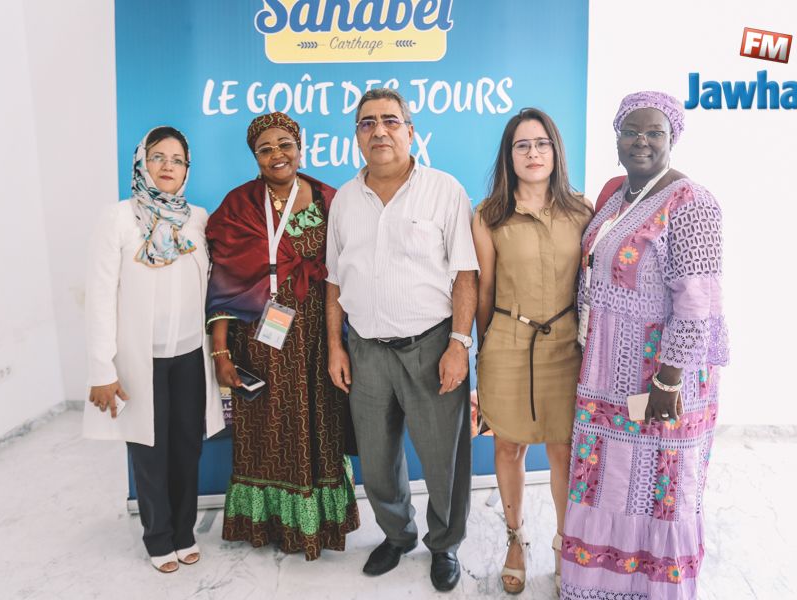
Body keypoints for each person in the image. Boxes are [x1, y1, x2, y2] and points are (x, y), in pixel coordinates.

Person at [562, 91, 729, 599]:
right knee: (608, 482)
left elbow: (697, 302)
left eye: (654, 132)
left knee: (658, 488)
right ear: (616, 139)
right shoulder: (618, 198)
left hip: (661, 380)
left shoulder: (691, 202)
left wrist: (668, 380)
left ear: (672, 138)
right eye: (631, 131)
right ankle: (599, 585)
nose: (641, 141)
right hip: (606, 375)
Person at [325, 88, 479, 592]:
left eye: (390, 121)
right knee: (376, 460)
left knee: (442, 461)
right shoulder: (345, 199)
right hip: (365, 350)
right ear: (357, 136)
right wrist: (336, 346)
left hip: (431, 346)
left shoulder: (444, 190)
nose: (379, 131)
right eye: (367, 123)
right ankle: (397, 535)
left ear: (410, 132)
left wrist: (459, 344)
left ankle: (445, 543)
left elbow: (465, 274)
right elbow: (334, 281)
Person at [206, 112, 359, 561]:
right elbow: (222, 283)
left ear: (300, 147)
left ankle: (319, 523)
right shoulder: (239, 206)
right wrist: (220, 352)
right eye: (265, 149)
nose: (277, 155)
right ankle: (268, 523)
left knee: (321, 426)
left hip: (319, 339)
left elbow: (348, 270)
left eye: (285, 144)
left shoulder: (330, 199)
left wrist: (341, 341)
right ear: (254, 156)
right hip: (260, 341)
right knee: (267, 433)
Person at [84, 126, 225, 573]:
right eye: (158, 156)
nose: (168, 166)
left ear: (187, 169)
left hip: (189, 355)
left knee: (187, 447)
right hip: (139, 359)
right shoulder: (119, 218)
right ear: (142, 162)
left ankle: (184, 531)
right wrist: (101, 369)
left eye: (177, 159)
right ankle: (158, 537)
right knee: (149, 450)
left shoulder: (197, 218)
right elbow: (100, 296)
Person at [472, 108, 593, 594]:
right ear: (509, 155)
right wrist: (483, 353)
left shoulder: (583, 210)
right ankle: (515, 539)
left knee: (563, 449)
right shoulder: (488, 215)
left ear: (555, 151)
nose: (533, 153)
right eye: (522, 145)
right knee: (508, 446)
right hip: (507, 343)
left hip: (566, 346)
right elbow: (484, 291)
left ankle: (566, 543)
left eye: (542, 143)